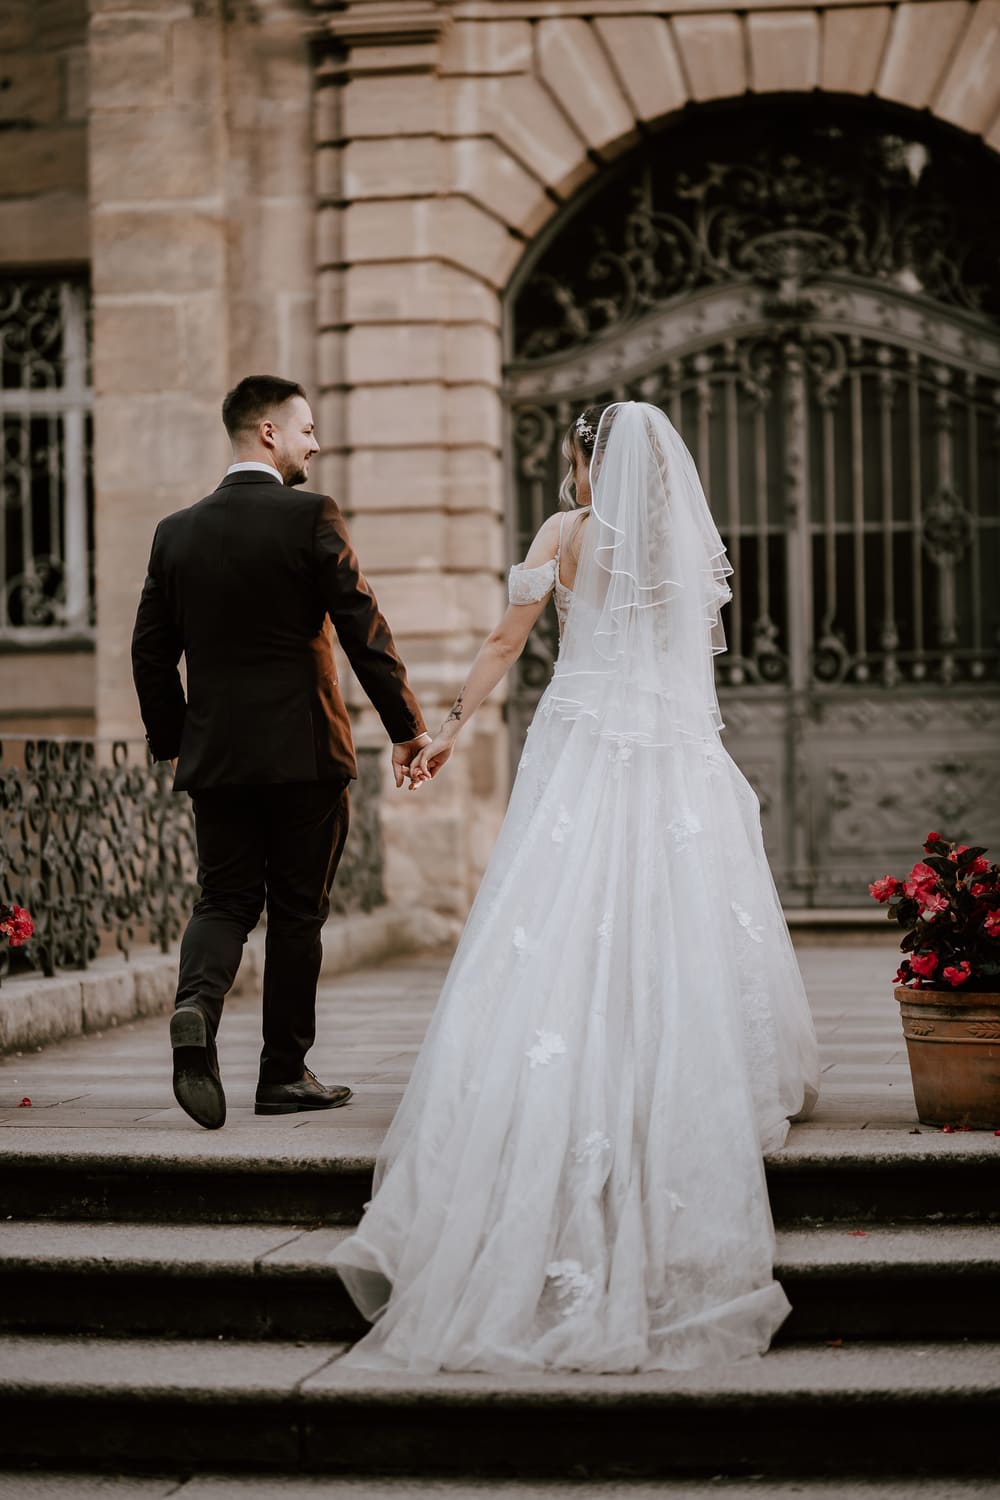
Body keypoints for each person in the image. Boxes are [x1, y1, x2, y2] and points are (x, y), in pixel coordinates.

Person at [330, 401, 820, 1373]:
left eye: (575, 461)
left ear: (593, 464)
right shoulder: (681, 550)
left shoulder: (565, 536)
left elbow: (508, 645)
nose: (574, 477)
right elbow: (691, 664)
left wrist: (450, 728)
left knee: (562, 912)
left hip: (585, 743)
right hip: (672, 753)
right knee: (676, 908)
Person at [131, 375, 429, 1130]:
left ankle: (196, 1006)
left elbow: (149, 653)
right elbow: (363, 627)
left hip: (219, 758)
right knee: (298, 914)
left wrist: (175, 740)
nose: (315, 444)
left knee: (224, 899)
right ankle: (283, 1075)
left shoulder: (177, 531)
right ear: (267, 433)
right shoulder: (310, 516)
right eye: (305, 430)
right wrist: (406, 729)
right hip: (305, 752)